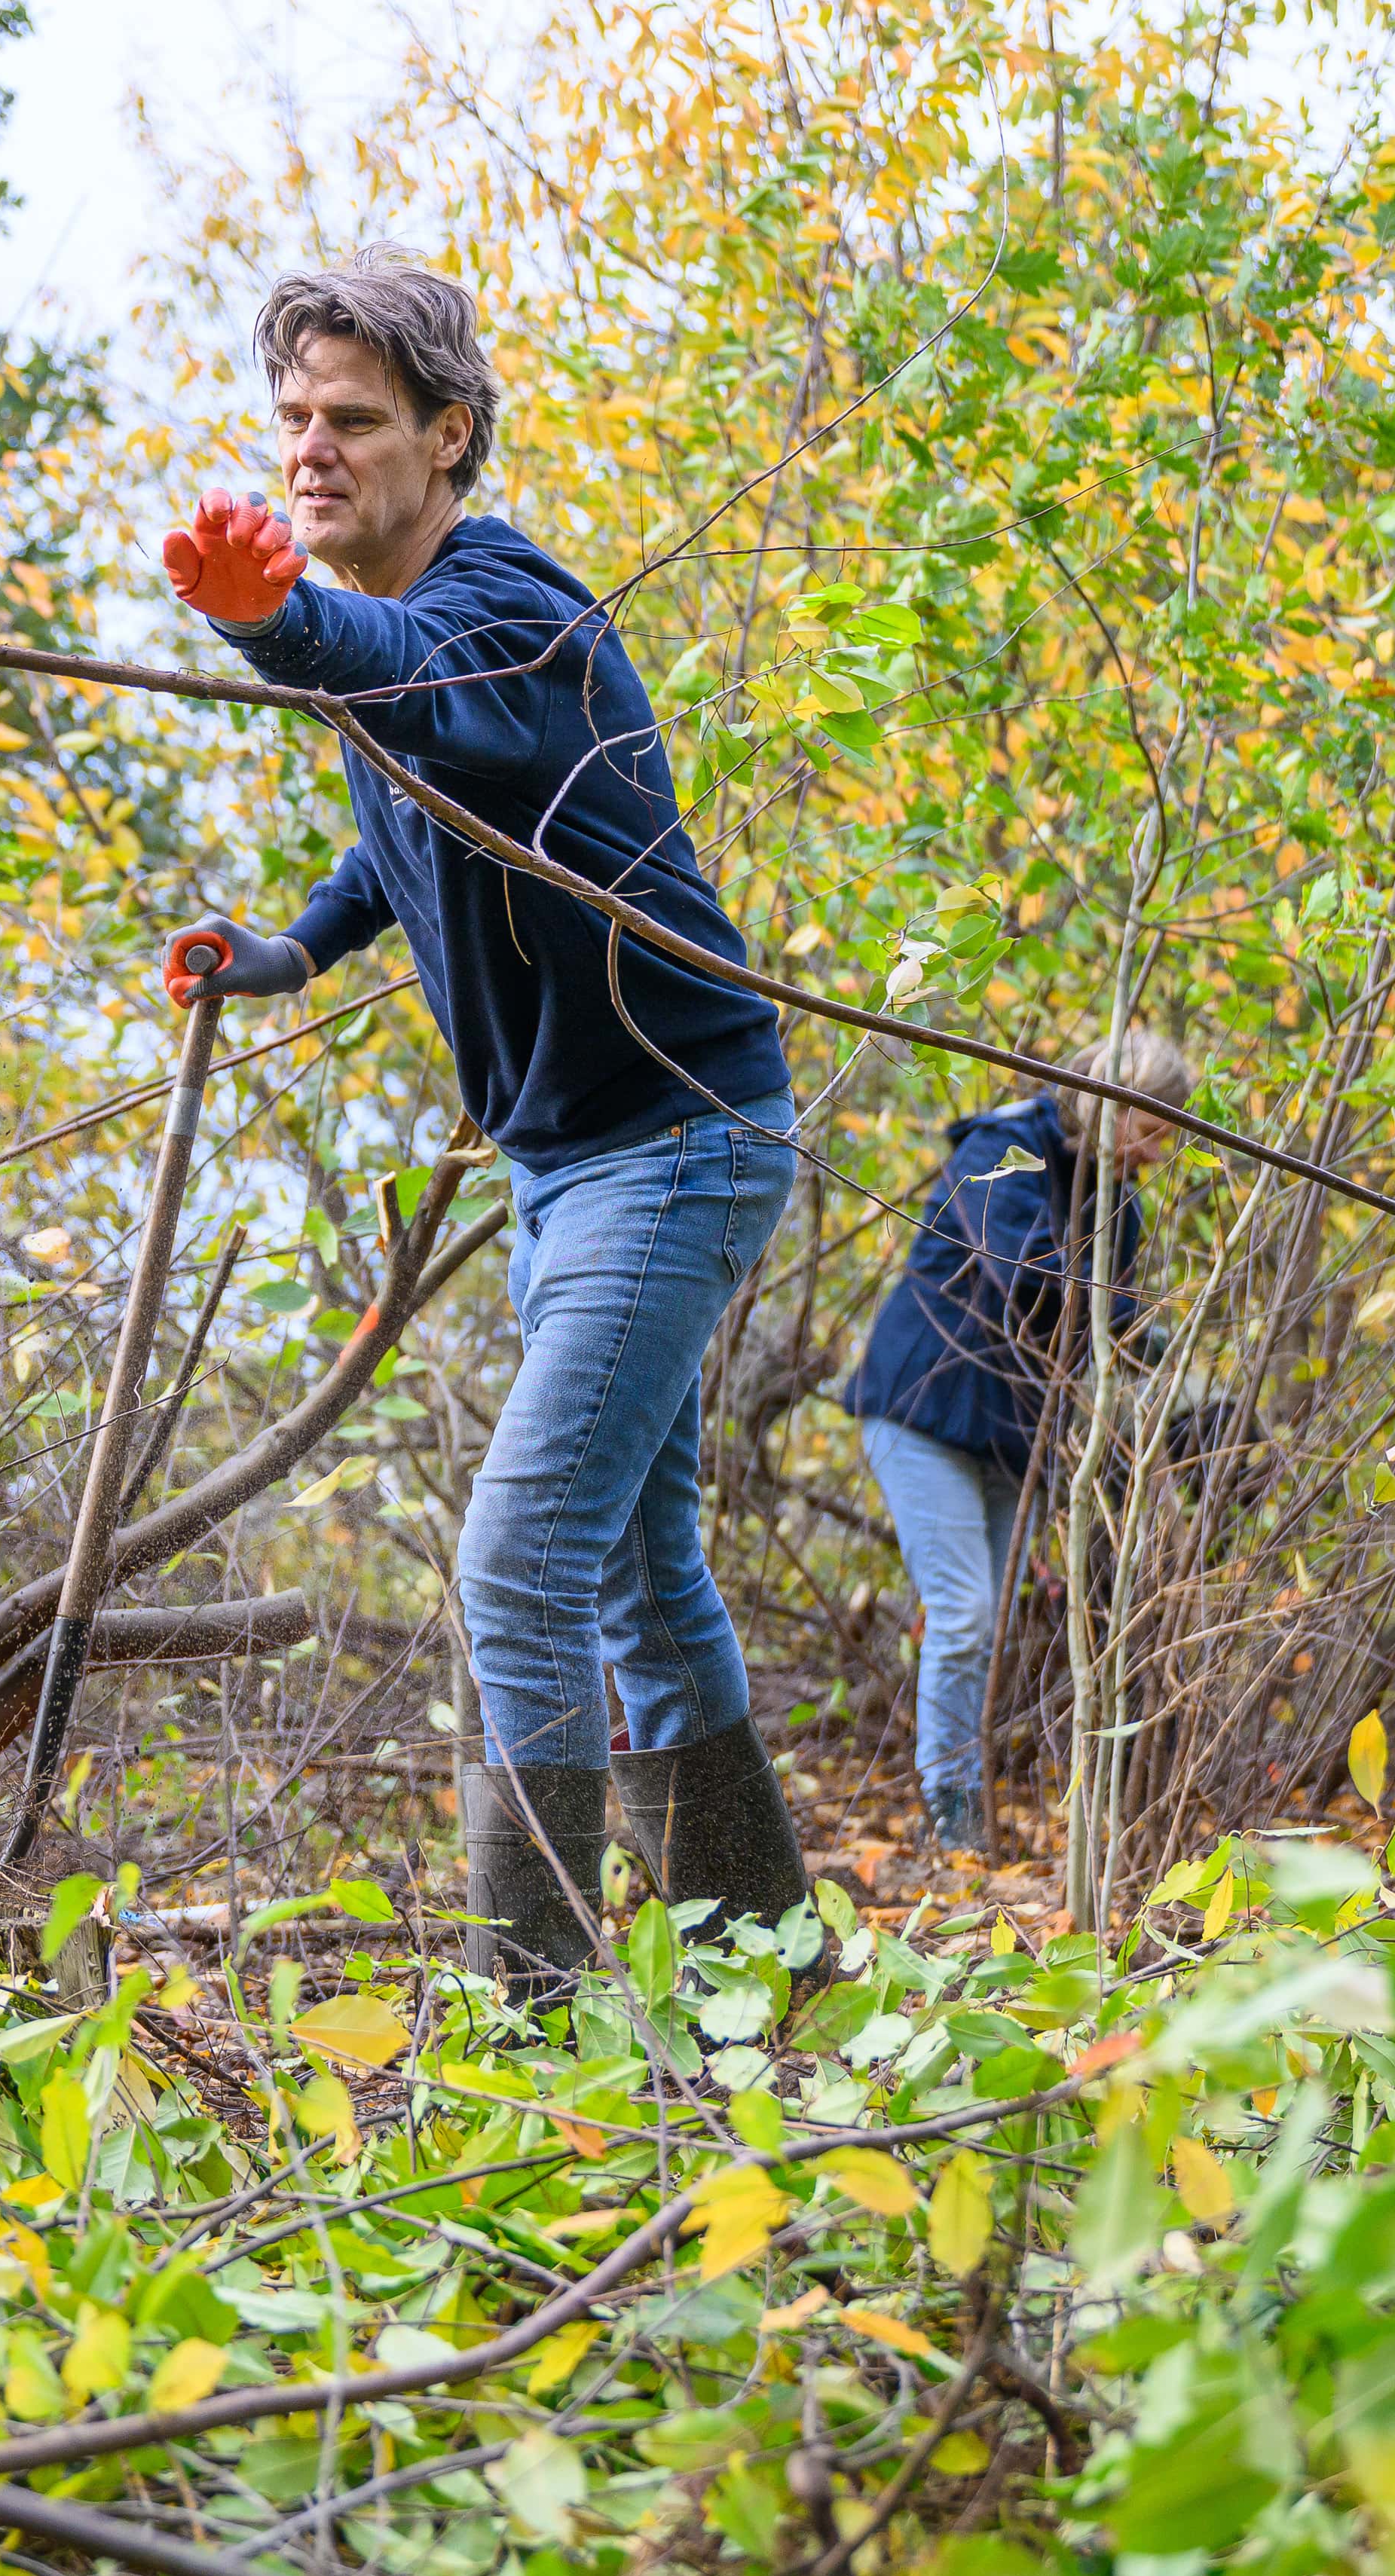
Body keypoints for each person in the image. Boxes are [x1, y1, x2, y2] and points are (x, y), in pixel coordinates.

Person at [148, 250, 808, 2000]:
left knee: (518, 1561)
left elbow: (401, 672)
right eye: (293, 417)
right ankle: (764, 1970)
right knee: (641, 1578)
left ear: (446, 435)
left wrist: (273, 618)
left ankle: (539, 2007)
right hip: (565, 1164)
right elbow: (401, 823)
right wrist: (293, 948)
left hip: (674, 1137)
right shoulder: (402, 642)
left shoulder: (502, 608)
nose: (310, 447)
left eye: (353, 420)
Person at [838, 1033, 1191, 1859]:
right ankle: (950, 1806)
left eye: (1168, 1135)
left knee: (989, 1627)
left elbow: (1106, 1330)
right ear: (1107, 1099)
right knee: (964, 1613)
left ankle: (967, 1803)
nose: (1156, 1150)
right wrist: (1122, 1319)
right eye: (1149, 1126)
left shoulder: (1118, 1203)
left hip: (1012, 1436)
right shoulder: (1001, 1148)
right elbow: (1024, 1271)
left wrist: (1143, 1343)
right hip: (921, 1410)